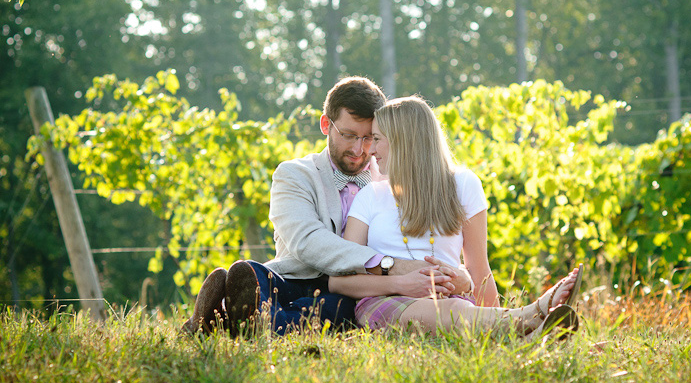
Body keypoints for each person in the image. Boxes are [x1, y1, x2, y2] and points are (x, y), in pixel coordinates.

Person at [182, 77, 470, 336]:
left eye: (369, 137)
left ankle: (224, 317)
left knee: (338, 311)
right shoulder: (293, 174)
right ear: (325, 125)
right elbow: (307, 241)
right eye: (348, 135)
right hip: (298, 279)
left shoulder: (392, 180)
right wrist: (388, 265)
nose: (360, 149)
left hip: (355, 291)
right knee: (258, 276)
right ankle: (243, 300)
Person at [328, 96, 582, 337]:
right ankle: (530, 314)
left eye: (377, 138)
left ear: (402, 141)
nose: (371, 149)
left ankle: (527, 337)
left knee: (462, 314)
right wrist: (403, 284)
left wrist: (477, 293)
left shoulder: (463, 184)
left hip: (453, 299)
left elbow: (478, 268)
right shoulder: (369, 196)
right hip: (383, 303)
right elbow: (340, 281)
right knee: (455, 312)